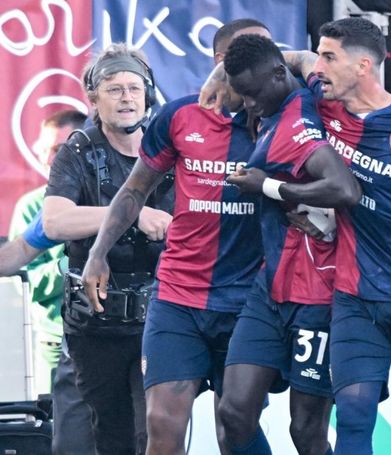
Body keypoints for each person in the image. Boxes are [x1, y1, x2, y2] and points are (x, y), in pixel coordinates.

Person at [199, 17, 391, 454]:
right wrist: (221, 73)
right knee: (353, 418)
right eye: (320, 56)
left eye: (329, 58)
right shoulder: (323, 102)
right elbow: (290, 58)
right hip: (356, 299)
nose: (318, 68)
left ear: (363, 66)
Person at [81, 20, 269, 455]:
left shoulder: (283, 122)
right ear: (221, 62)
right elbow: (134, 189)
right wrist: (98, 252)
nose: (271, 61)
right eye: (255, 52)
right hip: (178, 297)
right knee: (162, 425)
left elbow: (310, 66)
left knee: (235, 424)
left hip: (248, 302)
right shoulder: (180, 116)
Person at [219, 33, 361, 455]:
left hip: (318, 295)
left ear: (278, 75)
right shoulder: (294, 97)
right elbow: (302, 59)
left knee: (306, 431)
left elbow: (345, 189)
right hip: (270, 289)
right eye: (241, 94)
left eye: (252, 93)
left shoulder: (294, 124)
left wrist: (270, 187)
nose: (247, 104)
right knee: (234, 412)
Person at [43, 43, 175, 455]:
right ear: (94, 98)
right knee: (110, 436)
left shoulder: (172, 148)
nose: (126, 98)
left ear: (148, 94)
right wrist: (130, 214)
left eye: (134, 89)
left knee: (157, 429)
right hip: (96, 324)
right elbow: (54, 221)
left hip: (161, 316)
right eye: (114, 89)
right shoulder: (78, 150)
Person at [9, 109, 86, 394]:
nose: (52, 159)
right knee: (54, 418)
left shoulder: (113, 199)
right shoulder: (31, 207)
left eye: (60, 149)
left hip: (115, 340)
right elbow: (21, 284)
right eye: (47, 149)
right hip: (54, 345)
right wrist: (69, 268)